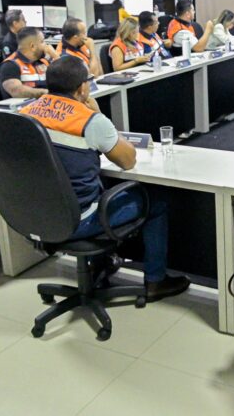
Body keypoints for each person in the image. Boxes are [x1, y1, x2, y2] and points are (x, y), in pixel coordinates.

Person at [19, 55, 189, 301]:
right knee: (157, 201)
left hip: (33, 215)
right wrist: (100, 116)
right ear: (83, 88)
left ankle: (100, 265)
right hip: (77, 221)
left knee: (100, 187)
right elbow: (128, 160)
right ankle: (156, 281)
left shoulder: (24, 114)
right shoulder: (89, 120)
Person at [0, 27, 50, 99]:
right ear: (32, 46)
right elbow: (16, 91)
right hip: (27, 105)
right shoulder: (9, 65)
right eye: (42, 41)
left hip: (47, 103)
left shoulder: (43, 61)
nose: (46, 45)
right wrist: (47, 93)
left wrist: (55, 56)